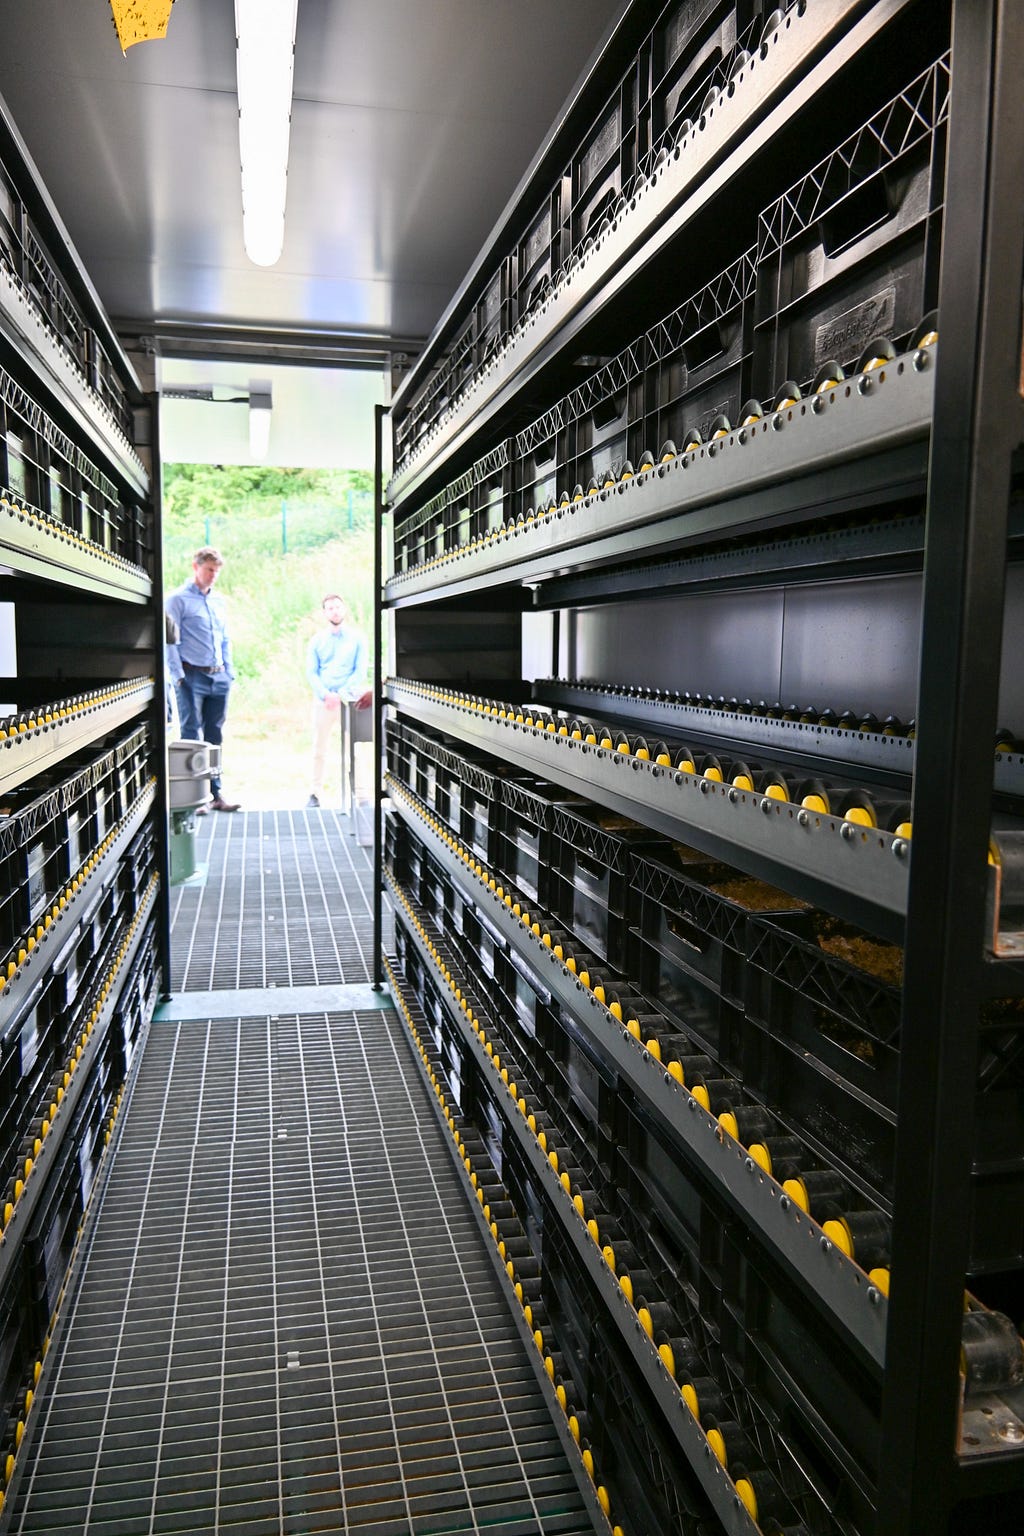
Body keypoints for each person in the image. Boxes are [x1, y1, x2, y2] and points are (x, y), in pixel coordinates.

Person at [166, 546, 240, 812]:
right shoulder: (177, 600)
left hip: (218, 677)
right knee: (191, 734)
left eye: (217, 571)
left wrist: (228, 672)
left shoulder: (218, 601)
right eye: (209, 570)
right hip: (190, 676)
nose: (213, 576)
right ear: (196, 567)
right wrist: (178, 676)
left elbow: (224, 639)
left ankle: (216, 794)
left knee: (215, 735)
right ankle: (194, 797)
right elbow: (170, 641)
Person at [306, 594, 369, 808]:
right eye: (330, 608)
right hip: (324, 701)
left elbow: (360, 671)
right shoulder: (317, 641)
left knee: (356, 748)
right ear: (324, 612)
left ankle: (361, 795)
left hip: (348, 700)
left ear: (345, 610)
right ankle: (314, 793)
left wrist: (341, 694)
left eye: (338, 607)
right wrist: (326, 694)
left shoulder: (357, 639)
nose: (335, 611)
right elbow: (312, 672)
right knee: (319, 748)